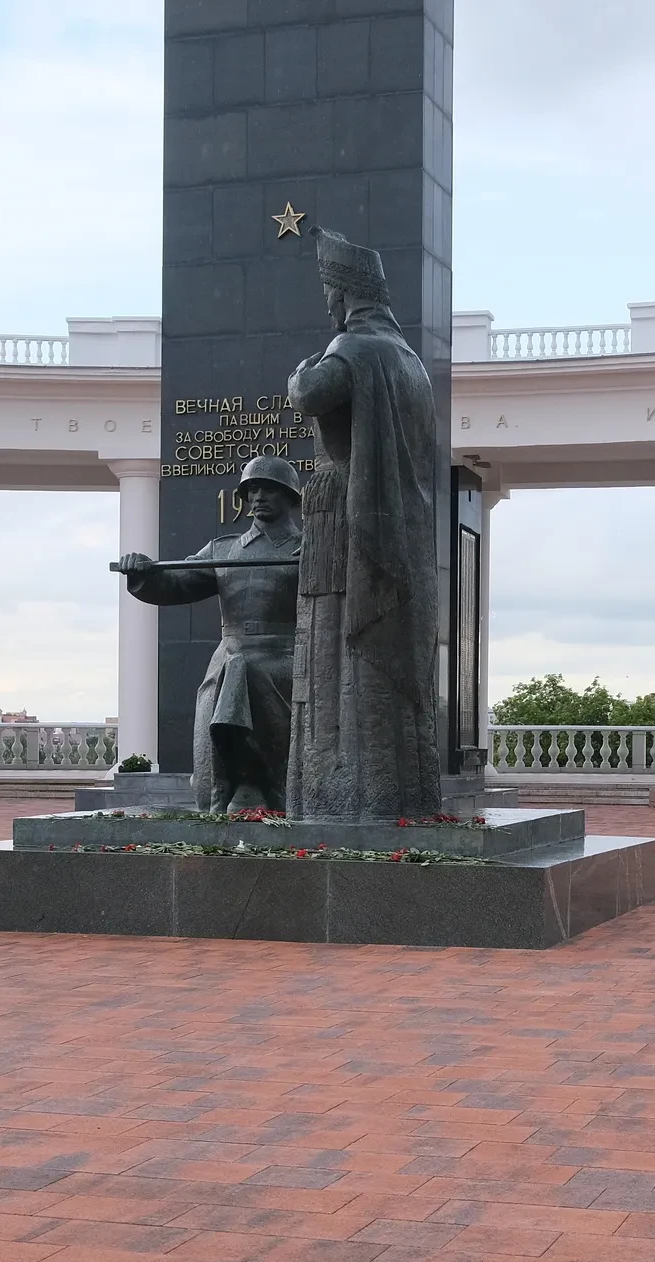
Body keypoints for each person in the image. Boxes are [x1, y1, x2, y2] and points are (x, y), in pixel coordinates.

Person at [285, 228, 445, 821]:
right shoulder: (410, 361)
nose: (327, 303)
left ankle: (344, 795)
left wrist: (301, 370)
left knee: (334, 652)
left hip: (344, 520)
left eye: (329, 292)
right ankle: (396, 791)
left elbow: (310, 393)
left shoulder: (354, 349)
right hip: (394, 526)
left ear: (342, 292)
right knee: (365, 662)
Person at [116, 455, 301, 812]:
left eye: (269, 489)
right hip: (230, 658)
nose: (259, 497)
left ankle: (253, 782)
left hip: (284, 658)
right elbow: (177, 583)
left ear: (290, 496)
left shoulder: (306, 547)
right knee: (234, 671)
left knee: (245, 670)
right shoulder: (224, 549)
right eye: (252, 490)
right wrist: (143, 573)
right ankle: (226, 784)